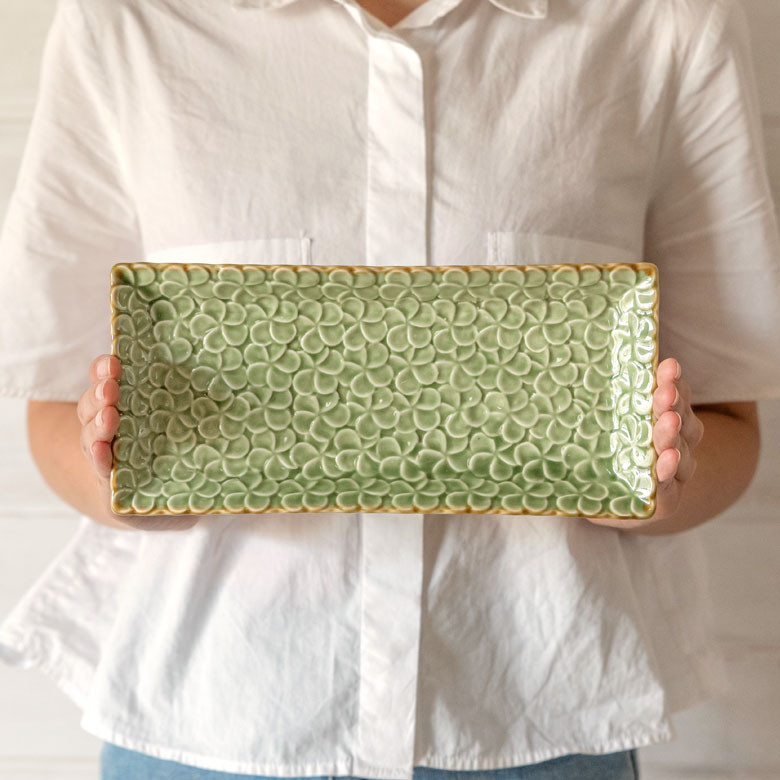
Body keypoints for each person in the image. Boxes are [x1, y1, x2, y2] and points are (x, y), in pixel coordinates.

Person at [1, 0, 780, 778]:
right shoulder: (125, 23)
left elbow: (727, 421)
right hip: (212, 714)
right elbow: (55, 403)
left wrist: (654, 485)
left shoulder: (661, 23)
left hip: (537, 716)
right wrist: (126, 480)